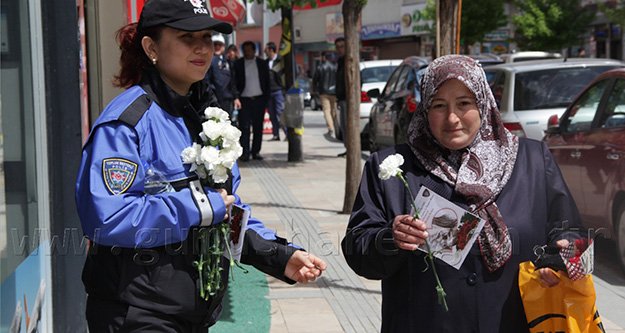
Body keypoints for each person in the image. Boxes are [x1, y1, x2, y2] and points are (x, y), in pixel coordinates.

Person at [75, 1, 326, 331]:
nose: (201, 48)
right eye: (185, 37)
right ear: (151, 47)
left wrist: (278, 256)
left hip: (192, 314)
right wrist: (194, 206)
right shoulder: (127, 122)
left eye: (207, 37)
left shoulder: (205, 115)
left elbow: (223, 208)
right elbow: (106, 217)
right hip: (137, 312)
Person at [341, 55, 583, 332]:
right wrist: (390, 238)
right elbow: (357, 249)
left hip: (517, 322)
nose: (452, 118)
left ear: (484, 103)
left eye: (464, 103)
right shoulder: (393, 169)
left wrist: (561, 257)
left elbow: (571, 232)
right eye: (439, 105)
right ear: (423, 109)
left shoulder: (532, 160)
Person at [233, 41, 270, 162]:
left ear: (254, 51)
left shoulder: (262, 63)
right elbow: (234, 82)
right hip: (244, 100)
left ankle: (256, 152)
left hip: (259, 99)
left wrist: (266, 99)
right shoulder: (238, 64)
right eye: (245, 50)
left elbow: (267, 82)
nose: (248, 52)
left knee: (258, 127)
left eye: (250, 50)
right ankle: (245, 153)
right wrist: (236, 97)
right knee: (244, 127)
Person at [205, 34, 238, 117]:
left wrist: (235, 97)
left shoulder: (228, 61)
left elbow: (233, 80)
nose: (217, 47)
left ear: (223, 46)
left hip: (227, 99)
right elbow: (206, 81)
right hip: (213, 99)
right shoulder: (207, 60)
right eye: (215, 44)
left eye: (220, 45)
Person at [312, 51, 338, 136]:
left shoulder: (320, 67)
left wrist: (314, 89)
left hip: (324, 92)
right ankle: (335, 126)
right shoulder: (335, 67)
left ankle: (330, 128)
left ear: (324, 57)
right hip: (334, 92)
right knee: (334, 110)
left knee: (327, 110)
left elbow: (315, 79)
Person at [264, 41, 286, 141]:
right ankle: (276, 134)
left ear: (271, 50)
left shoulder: (280, 60)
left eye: (266, 50)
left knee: (280, 112)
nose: (265, 51)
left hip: (278, 91)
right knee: (272, 114)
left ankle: (287, 133)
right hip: (269, 92)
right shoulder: (265, 62)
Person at [333, 37, 347, 157]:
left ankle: (350, 149)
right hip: (342, 98)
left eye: (342, 46)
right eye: (337, 47)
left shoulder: (349, 60)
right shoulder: (340, 61)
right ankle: (348, 148)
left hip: (348, 99)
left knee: (347, 125)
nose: (339, 49)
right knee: (343, 126)